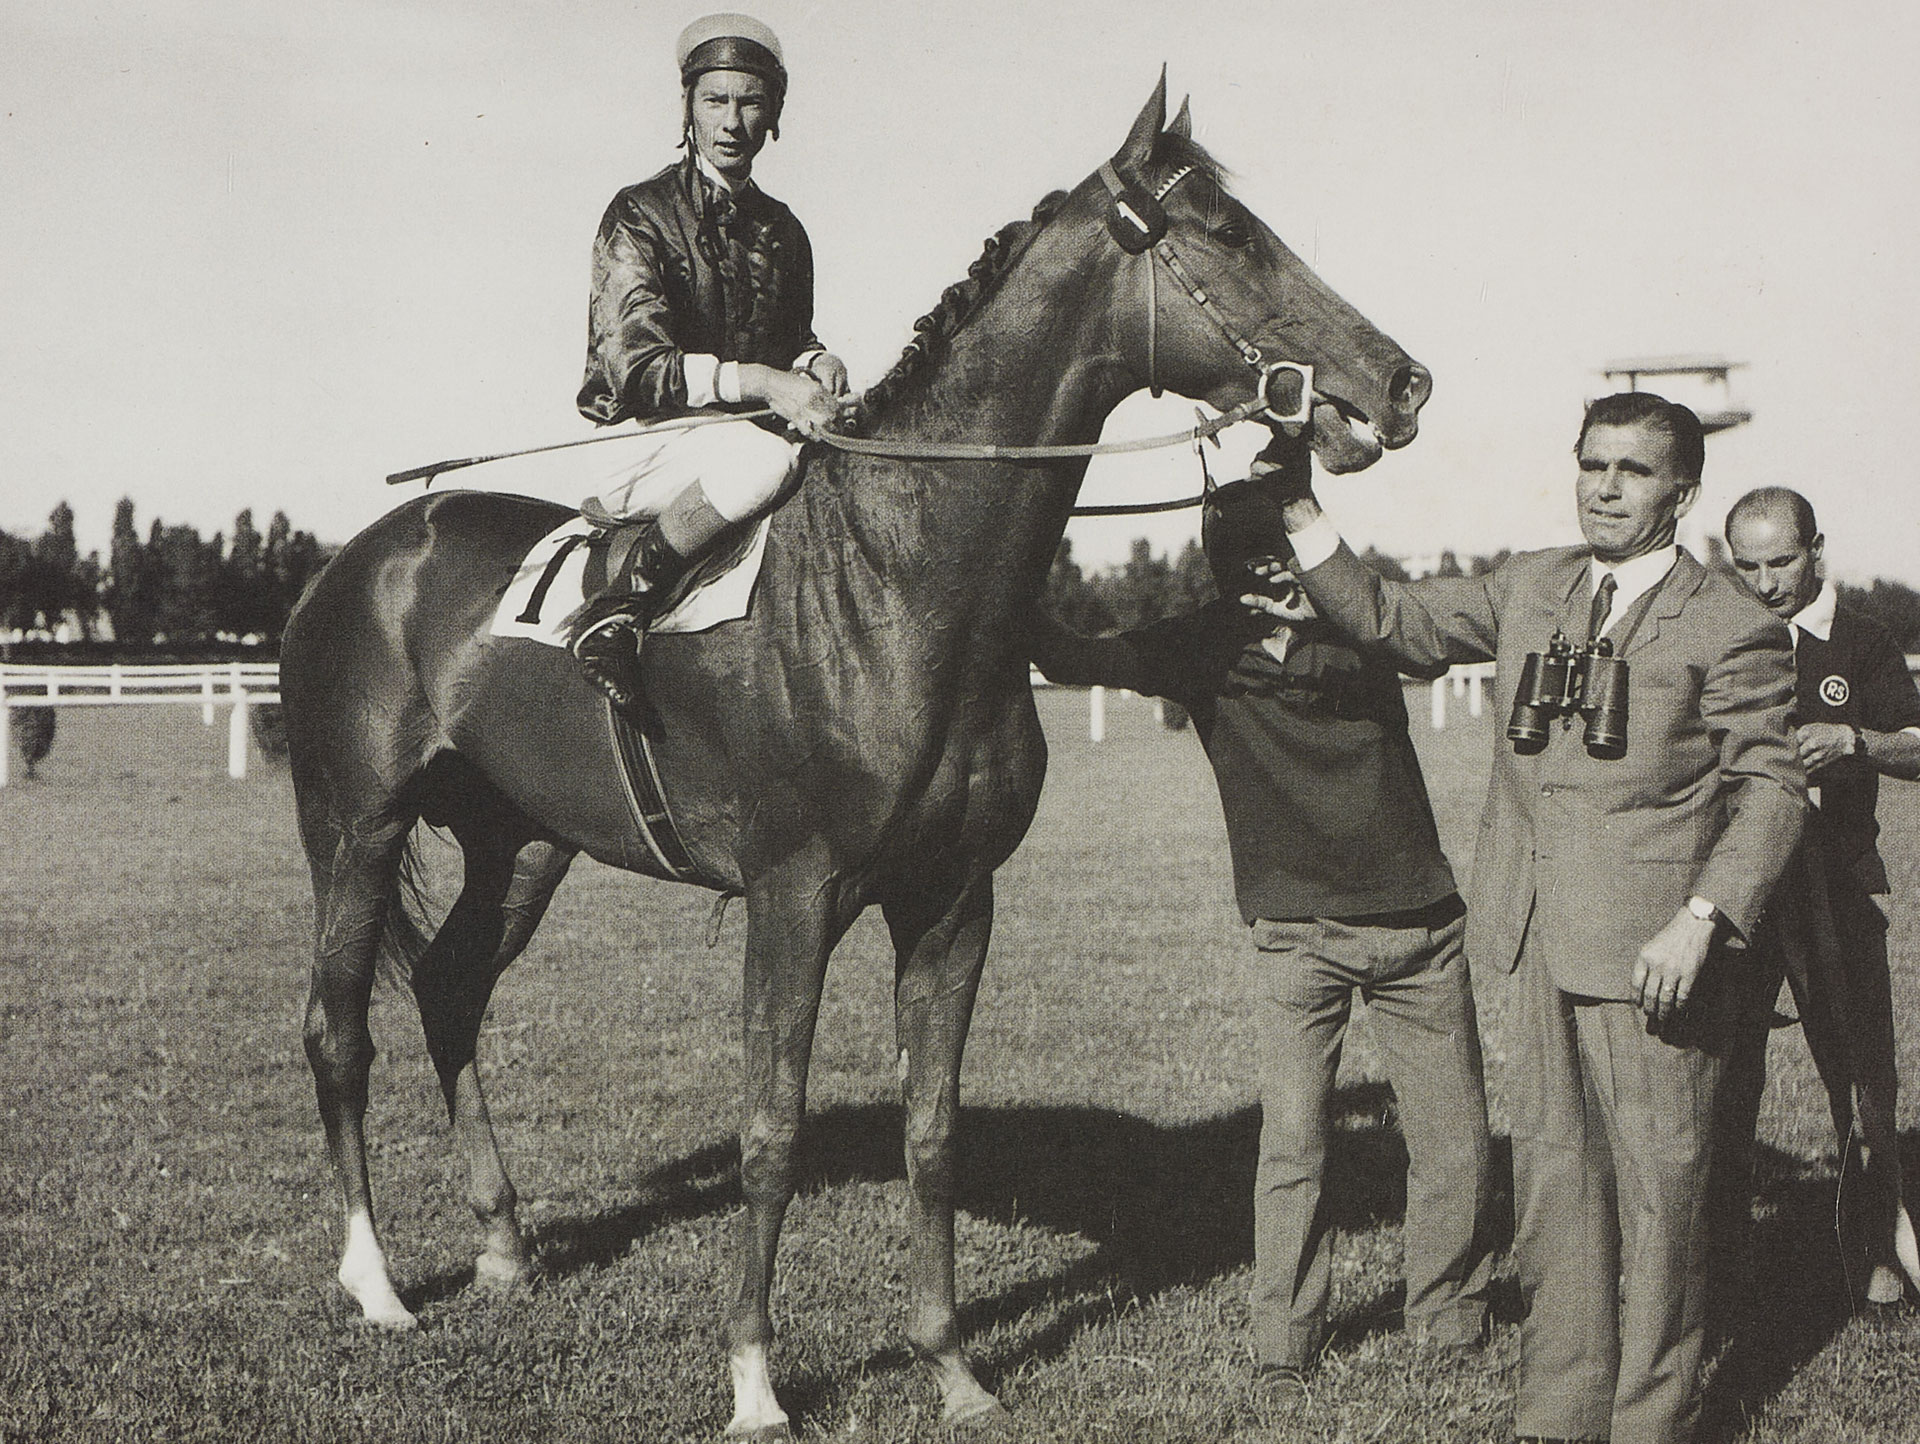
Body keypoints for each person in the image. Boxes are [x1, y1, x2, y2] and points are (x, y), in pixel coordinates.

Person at [1263, 393, 1806, 1444]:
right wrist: (1297, 509)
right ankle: (1559, 1411)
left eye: (1634, 471)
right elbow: (1391, 619)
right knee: (1557, 1188)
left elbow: (1773, 790)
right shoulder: (1533, 584)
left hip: (1658, 959)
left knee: (1662, 1199)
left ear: (1682, 493)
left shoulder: (1731, 624)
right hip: (1533, 939)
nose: (1605, 486)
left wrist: (1702, 918)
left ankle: (1652, 1419)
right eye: (1593, 463)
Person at [1027, 473, 1496, 1387]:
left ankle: (1449, 1317)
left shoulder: (1369, 626)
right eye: (1249, 572)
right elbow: (1079, 657)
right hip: (1295, 937)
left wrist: (1323, 578)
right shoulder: (1199, 646)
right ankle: (1284, 1346)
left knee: (1455, 1141)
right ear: (1224, 575)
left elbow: (1419, 650)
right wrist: (1019, 559)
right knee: (1294, 1146)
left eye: (1285, 563)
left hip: (1420, 928)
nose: (1273, 584)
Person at [569, 12, 851, 708]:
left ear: (774, 114)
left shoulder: (785, 230)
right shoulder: (638, 214)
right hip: (642, 438)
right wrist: (761, 383)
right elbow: (636, 368)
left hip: (729, 441)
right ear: (688, 107)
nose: (732, 120)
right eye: (715, 99)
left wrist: (816, 363)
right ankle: (616, 612)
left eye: (751, 101)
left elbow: (788, 338)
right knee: (762, 463)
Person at [1712, 486, 1920, 1313]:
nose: (1766, 583)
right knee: (1725, 1087)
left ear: (1817, 548)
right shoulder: (1726, 638)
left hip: (1838, 891)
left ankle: (1874, 1252)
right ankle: (1718, 1266)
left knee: (1863, 1084)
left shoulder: (1862, 641)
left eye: (1782, 561)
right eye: (1749, 566)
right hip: (1740, 897)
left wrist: (1856, 742)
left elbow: (1916, 743)